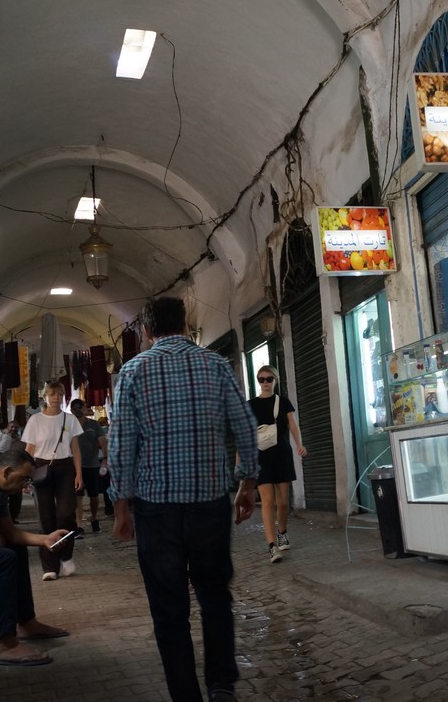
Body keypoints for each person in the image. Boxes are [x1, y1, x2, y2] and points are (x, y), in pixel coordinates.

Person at [108, 296, 260, 702]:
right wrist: (248, 483)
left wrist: (120, 505)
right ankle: (222, 685)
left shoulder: (133, 371)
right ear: (186, 323)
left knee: (168, 607)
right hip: (210, 503)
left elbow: (122, 443)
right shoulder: (216, 365)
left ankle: (185, 694)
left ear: (147, 330)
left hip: (156, 509)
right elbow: (245, 425)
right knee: (214, 595)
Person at [0, 448, 73, 666]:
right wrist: (3, 542)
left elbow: (11, 533)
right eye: (23, 479)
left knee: (16, 550)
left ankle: (27, 623)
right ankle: (6, 644)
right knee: (4, 558)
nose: (25, 485)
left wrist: (45, 539)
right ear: (6, 471)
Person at [21, 382, 84, 580]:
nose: (56, 397)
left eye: (59, 394)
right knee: (46, 517)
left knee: (66, 514)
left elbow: (75, 449)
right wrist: (24, 475)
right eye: (52, 394)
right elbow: (29, 450)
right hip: (41, 467)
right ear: (45, 397)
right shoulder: (35, 420)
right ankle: (50, 566)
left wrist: (78, 473)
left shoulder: (70, 419)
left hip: (65, 467)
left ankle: (66, 556)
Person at [249, 365, 306, 563]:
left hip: (281, 454)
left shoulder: (283, 402)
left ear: (275, 380)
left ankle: (282, 531)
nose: (265, 383)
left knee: (282, 502)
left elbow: (292, 424)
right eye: (261, 379)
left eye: (269, 379)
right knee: (267, 502)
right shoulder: (251, 404)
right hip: (261, 455)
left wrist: (299, 445)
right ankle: (272, 546)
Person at [70, 398, 107, 533]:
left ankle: (94, 518)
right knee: (77, 495)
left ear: (85, 408)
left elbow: (102, 442)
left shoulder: (94, 425)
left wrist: (105, 458)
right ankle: (79, 525)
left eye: (80, 407)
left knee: (94, 496)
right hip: (75, 466)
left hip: (92, 465)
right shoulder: (68, 425)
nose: (78, 410)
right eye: (75, 408)